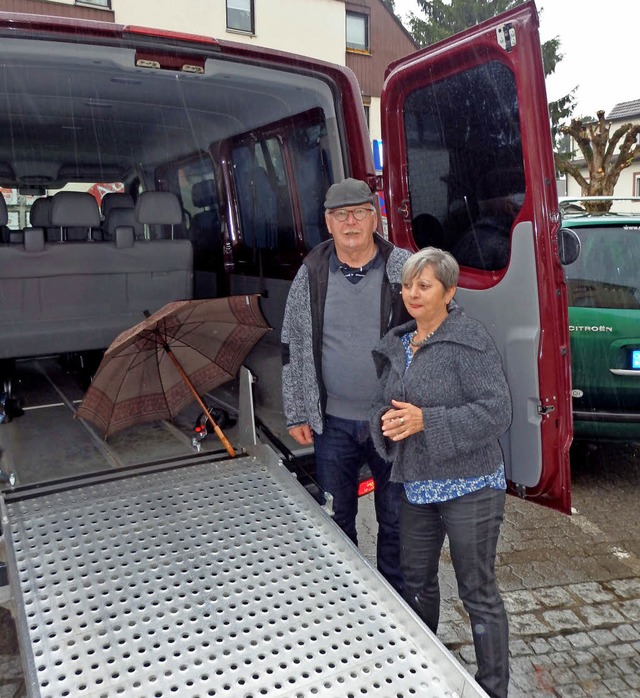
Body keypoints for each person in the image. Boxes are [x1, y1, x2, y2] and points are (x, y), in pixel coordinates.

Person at [369, 247, 512, 698]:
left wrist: (427, 420)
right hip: (417, 484)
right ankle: (425, 669)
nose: (412, 293)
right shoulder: (398, 343)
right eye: (408, 285)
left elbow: (497, 411)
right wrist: (386, 425)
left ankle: (492, 689)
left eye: (424, 285)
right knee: (417, 582)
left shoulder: (470, 338)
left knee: (477, 591)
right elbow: (387, 404)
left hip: (471, 485)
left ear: (449, 292)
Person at [281, 177, 410, 592]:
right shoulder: (311, 271)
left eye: (359, 212)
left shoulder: (405, 268)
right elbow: (292, 344)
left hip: (392, 421)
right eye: (341, 214)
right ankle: (346, 596)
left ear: (375, 218)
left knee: (396, 520)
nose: (350, 221)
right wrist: (297, 410)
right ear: (328, 222)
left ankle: (396, 602)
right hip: (332, 422)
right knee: (336, 518)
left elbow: (440, 328)